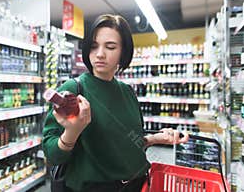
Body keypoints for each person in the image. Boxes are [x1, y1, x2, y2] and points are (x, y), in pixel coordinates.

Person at [42, 14, 189, 192]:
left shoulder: (127, 92)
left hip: (135, 184)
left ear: (123, 52)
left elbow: (122, 143)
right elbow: (51, 154)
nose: (100, 54)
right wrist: (72, 133)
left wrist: (155, 139)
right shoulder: (74, 90)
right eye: (94, 46)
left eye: (110, 47)